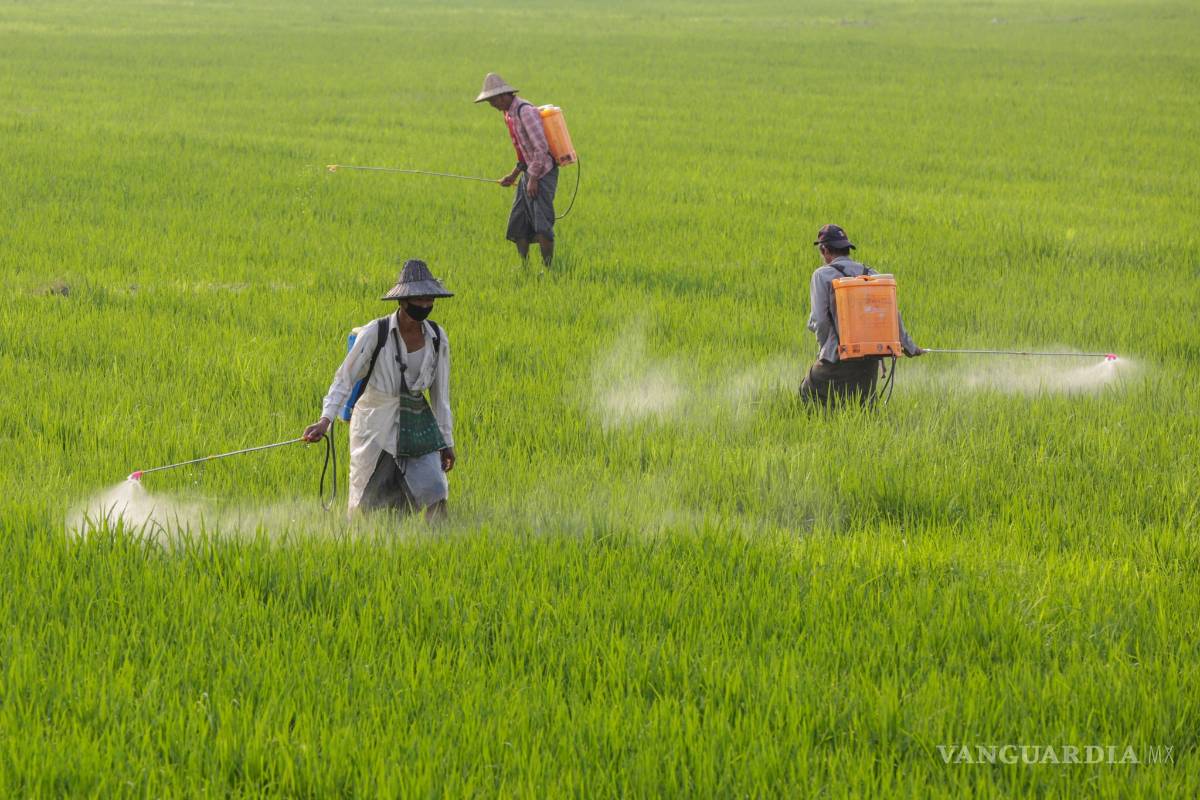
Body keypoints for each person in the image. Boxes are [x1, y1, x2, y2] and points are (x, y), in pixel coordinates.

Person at [302, 260, 456, 521]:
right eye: (420, 298)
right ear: (403, 301)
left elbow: (441, 397)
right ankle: (363, 541)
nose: (426, 305)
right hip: (375, 424)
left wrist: (447, 442)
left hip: (417, 421)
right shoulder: (376, 332)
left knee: (436, 488)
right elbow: (344, 379)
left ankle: (437, 543)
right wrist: (324, 421)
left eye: (430, 298)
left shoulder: (437, 338)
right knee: (368, 501)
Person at [799, 224, 924, 407]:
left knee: (808, 396)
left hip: (837, 357)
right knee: (863, 408)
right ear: (847, 249)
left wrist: (826, 351)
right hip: (870, 361)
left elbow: (820, 320)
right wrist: (910, 347)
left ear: (824, 250)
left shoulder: (822, 275)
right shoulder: (871, 274)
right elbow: (891, 314)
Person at [474, 73, 558, 268]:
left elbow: (541, 148)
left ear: (504, 96)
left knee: (542, 223)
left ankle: (549, 269)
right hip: (530, 172)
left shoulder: (525, 112)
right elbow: (523, 151)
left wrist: (534, 179)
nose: (491, 105)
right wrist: (513, 175)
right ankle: (525, 267)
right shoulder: (509, 114)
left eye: (492, 100)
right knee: (518, 221)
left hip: (542, 172)